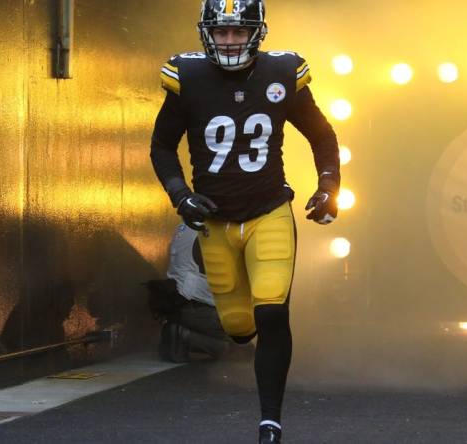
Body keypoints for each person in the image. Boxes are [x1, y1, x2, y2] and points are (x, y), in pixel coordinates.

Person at [149, 1, 341, 442]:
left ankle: (270, 421)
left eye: (239, 32)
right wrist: (181, 195)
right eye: (222, 32)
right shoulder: (189, 77)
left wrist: (329, 186)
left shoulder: (282, 73)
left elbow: (321, 135)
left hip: (268, 210)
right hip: (216, 222)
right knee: (239, 328)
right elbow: (161, 146)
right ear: (207, 34)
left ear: (257, 33)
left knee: (272, 309)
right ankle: (241, 331)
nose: (231, 41)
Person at [146, 224, 234, 363]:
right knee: (250, 337)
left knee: (229, 346)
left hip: (180, 302)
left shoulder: (186, 225)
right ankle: (185, 337)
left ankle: (183, 335)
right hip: (197, 306)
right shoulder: (214, 229)